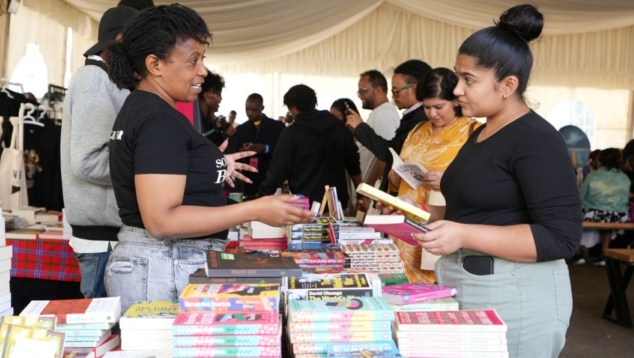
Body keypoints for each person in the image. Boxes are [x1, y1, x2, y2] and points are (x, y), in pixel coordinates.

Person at [105, 4, 314, 313]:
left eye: (202, 59)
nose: (203, 70)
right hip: (162, 267)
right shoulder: (157, 118)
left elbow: (168, 170)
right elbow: (162, 220)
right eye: (193, 60)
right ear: (155, 64)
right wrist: (254, 209)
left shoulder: (148, 110)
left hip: (162, 265)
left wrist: (210, 164)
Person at [412, 5, 582, 357]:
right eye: (459, 76)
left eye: (468, 80)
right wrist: (432, 223)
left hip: (516, 295)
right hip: (467, 281)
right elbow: (478, 205)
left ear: (508, 85)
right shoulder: (481, 132)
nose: (457, 89)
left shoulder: (535, 139)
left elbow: (562, 237)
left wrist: (463, 233)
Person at [60, 5, 140, 299]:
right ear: (120, 40)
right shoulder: (94, 80)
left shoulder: (107, 80)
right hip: (100, 239)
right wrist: (142, 171)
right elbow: (87, 161)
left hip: (106, 234)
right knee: (103, 330)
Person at [387, 68, 481, 284]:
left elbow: (481, 187)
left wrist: (448, 180)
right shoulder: (418, 129)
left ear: (456, 101)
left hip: (438, 231)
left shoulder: (474, 132)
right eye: (427, 107)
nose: (432, 114)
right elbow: (397, 181)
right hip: (405, 229)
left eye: (439, 107)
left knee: (433, 294)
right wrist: (396, 175)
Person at [258, 84, 362, 209]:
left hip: (304, 206)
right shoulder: (339, 127)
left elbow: (277, 171)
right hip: (336, 206)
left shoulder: (292, 133)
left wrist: (260, 198)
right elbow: (354, 164)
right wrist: (360, 195)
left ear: (293, 107)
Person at [346, 60, 431, 195]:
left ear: (414, 89)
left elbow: (390, 154)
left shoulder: (419, 120)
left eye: (396, 91)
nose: (392, 96)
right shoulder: (412, 116)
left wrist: (360, 128)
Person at [226, 94, 286, 201]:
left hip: (271, 179)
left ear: (262, 108)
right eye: (247, 109)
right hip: (248, 182)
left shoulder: (277, 127)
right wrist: (242, 151)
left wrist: (266, 149)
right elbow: (233, 155)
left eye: (254, 110)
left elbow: (283, 154)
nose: (250, 113)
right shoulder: (241, 130)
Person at [580, 148, 631, 266]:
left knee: (572, 217)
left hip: (593, 214)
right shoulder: (624, 177)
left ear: (601, 159)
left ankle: (577, 253)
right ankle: (604, 254)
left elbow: (581, 198)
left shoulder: (593, 176)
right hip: (620, 215)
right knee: (607, 222)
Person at [355, 70, 400, 190]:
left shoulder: (384, 114)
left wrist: (368, 190)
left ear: (378, 89)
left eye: (363, 90)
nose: (359, 95)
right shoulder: (379, 112)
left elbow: (384, 158)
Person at [330, 98, 360, 214]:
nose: (331, 121)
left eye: (335, 117)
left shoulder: (359, 137)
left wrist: (361, 196)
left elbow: (354, 166)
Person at [198, 70, 232, 146]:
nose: (220, 98)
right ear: (206, 96)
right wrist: (227, 134)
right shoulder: (196, 119)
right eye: (218, 94)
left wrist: (218, 128)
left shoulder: (210, 119)